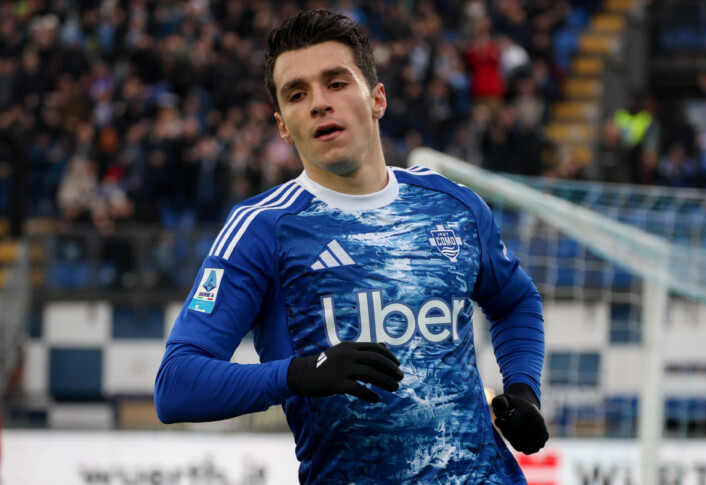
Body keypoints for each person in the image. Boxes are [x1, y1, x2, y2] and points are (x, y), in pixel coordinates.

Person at [154, 10, 547, 484]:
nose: (319, 103)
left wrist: (523, 390)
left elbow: (516, 300)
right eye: (297, 94)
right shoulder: (262, 229)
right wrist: (298, 374)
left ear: (377, 99)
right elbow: (176, 384)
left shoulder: (453, 205)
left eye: (336, 83)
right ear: (283, 125)